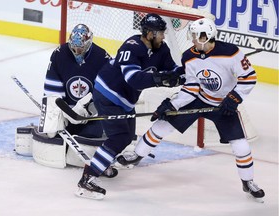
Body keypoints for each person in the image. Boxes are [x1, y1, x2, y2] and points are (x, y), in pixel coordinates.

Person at [117, 18, 265, 201]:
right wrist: (172, 105)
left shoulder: (231, 53)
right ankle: (137, 155)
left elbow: (249, 78)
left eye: (196, 36)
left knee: (241, 146)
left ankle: (248, 182)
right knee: (162, 125)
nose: (193, 39)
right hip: (199, 99)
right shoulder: (189, 56)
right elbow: (192, 87)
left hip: (223, 104)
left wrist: (233, 98)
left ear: (206, 36)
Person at [76, 13, 185, 200]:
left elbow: (173, 70)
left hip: (126, 100)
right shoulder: (131, 47)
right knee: (119, 137)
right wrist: (160, 79)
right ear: (150, 33)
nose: (163, 37)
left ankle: (100, 165)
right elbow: (133, 79)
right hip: (107, 93)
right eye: (160, 33)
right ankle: (87, 179)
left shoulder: (161, 49)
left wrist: (186, 74)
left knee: (125, 137)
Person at [38, 24, 117, 176]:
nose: (76, 51)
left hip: (90, 112)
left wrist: (87, 106)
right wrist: (61, 111)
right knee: (51, 133)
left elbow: (108, 91)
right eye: (74, 48)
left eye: (80, 49)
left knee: (91, 134)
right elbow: (52, 87)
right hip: (66, 109)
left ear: (89, 43)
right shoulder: (59, 54)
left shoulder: (102, 57)